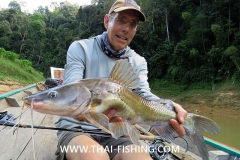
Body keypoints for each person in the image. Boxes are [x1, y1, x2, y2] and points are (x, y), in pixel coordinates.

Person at [55, 0, 188, 159]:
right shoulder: (80, 48)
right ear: (107, 21)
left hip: (116, 132)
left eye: (133, 24)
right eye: (121, 20)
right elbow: (71, 89)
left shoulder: (138, 61)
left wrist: (169, 106)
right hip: (77, 128)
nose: (126, 29)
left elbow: (144, 95)